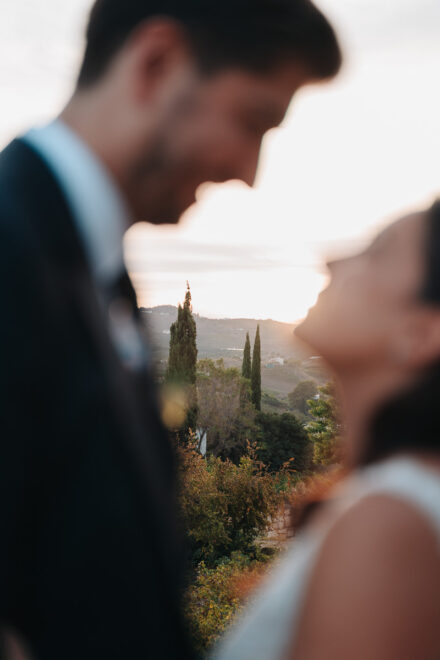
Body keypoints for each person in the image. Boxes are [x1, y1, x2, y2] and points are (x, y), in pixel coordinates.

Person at [0, 1, 342, 658]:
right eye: (253, 120)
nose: (249, 172)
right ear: (156, 63)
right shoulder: (12, 251)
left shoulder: (92, 273)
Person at [213, 200, 440, 660]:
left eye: (377, 251)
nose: (332, 260)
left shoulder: (387, 526)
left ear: (418, 334)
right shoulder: (389, 501)